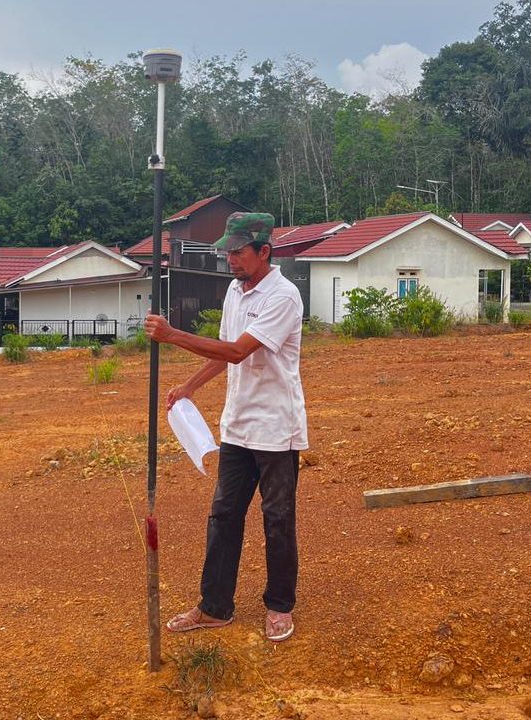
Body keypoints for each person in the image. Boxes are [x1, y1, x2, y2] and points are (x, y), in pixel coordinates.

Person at [143, 212, 308, 643]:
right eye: (227, 251)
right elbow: (223, 352)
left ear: (264, 252)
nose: (230, 259)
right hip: (237, 426)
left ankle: (278, 606)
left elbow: (238, 351)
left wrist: (172, 335)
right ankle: (215, 606)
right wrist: (189, 387)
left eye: (237, 252)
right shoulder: (236, 292)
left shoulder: (284, 296)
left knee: (277, 519)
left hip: (276, 427)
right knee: (223, 516)